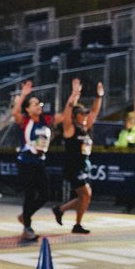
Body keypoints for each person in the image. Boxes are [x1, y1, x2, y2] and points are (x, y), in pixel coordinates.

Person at [51, 78, 103, 234]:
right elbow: (67, 113)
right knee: (86, 193)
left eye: (85, 113)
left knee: (84, 197)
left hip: (83, 165)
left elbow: (94, 112)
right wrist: (74, 96)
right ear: (75, 115)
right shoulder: (70, 129)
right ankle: (72, 220)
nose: (85, 115)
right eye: (82, 113)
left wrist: (99, 96)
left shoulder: (86, 128)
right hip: (73, 167)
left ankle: (62, 211)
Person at [11, 80, 53, 242]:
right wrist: (23, 96)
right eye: (34, 104)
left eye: (39, 103)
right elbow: (15, 113)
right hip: (26, 162)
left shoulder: (44, 122)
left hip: (39, 162)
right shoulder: (25, 121)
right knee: (29, 195)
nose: (38, 106)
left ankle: (24, 216)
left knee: (45, 195)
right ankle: (27, 227)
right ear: (28, 109)